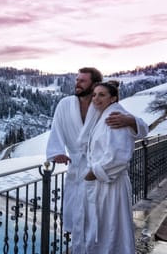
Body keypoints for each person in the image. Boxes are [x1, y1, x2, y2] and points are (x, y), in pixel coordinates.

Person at [45, 67, 148, 253]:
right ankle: (82, 247)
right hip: (78, 168)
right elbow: (56, 128)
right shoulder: (65, 104)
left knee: (102, 220)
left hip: (100, 172)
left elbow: (137, 129)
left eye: (82, 81)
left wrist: (131, 121)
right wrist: (56, 151)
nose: (77, 83)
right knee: (79, 217)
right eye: (77, 80)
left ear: (94, 84)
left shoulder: (104, 107)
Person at [82, 81, 136, 253]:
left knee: (112, 228)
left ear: (113, 98)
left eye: (102, 95)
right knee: (107, 228)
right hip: (104, 184)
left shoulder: (115, 118)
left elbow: (119, 156)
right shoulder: (105, 114)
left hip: (111, 185)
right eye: (94, 94)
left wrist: (94, 172)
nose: (96, 98)